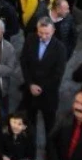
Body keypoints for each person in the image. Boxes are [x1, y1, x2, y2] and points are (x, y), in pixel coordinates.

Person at [19, 17, 68, 145]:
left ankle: (50, 151)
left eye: (47, 33)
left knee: (49, 125)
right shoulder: (30, 39)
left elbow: (58, 74)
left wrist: (40, 87)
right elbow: (24, 62)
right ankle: (30, 146)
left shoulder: (60, 48)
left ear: (53, 31)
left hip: (48, 94)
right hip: (30, 91)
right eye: (41, 32)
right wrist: (30, 84)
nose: (43, 36)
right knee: (29, 121)